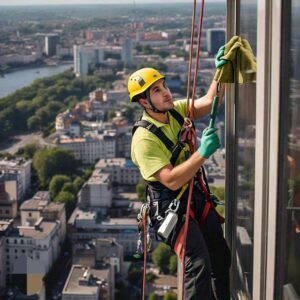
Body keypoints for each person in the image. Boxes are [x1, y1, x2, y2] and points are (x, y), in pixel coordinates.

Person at [129, 65, 231, 299]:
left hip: (194, 197)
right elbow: (171, 180)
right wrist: (202, 153)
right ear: (144, 102)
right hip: (168, 208)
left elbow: (209, 101)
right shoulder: (143, 140)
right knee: (197, 264)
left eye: (164, 86)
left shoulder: (175, 111)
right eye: (156, 90)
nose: (166, 92)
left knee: (219, 256)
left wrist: (220, 71)